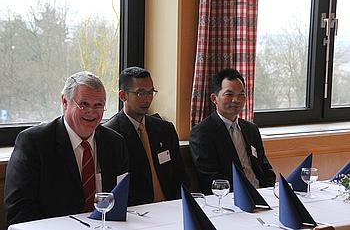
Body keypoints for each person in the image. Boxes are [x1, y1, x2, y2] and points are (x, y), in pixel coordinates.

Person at [4, 71, 128, 226]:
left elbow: (123, 201)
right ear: (64, 102)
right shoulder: (34, 143)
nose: (91, 112)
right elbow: (19, 211)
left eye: (98, 105)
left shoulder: (115, 143)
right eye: (83, 104)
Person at [104, 66, 188, 206]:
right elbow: (114, 187)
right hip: (137, 213)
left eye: (150, 92)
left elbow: (180, 176)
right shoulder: (111, 134)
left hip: (171, 208)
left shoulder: (164, 129)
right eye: (140, 93)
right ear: (123, 96)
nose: (147, 99)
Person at [190, 68, 275, 195]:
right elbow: (211, 178)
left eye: (241, 95)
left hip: (262, 194)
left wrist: (266, 191)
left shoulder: (251, 129)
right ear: (214, 98)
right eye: (229, 94)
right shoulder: (202, 133)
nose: (236, 100)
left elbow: (265, 168)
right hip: (232, 198)